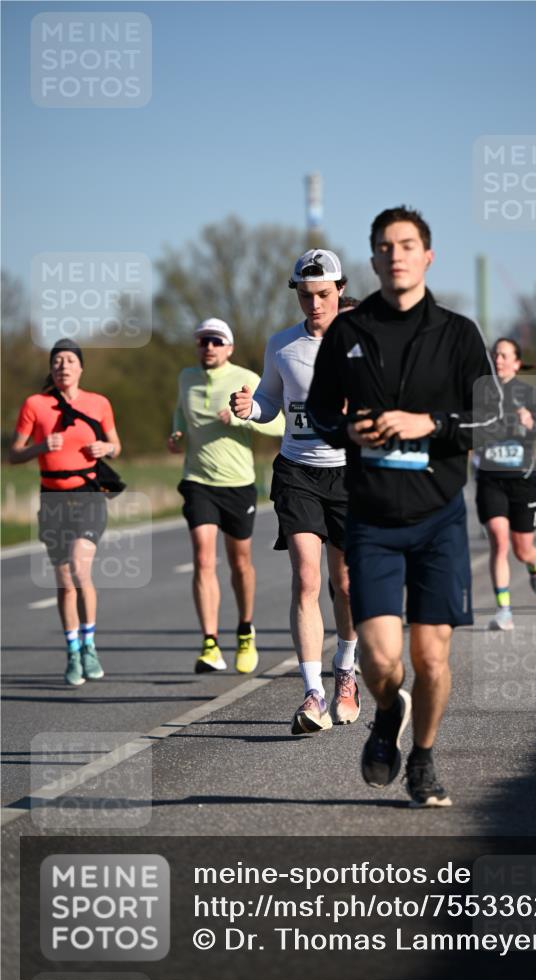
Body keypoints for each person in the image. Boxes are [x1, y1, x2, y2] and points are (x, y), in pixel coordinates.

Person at [307, 206, 502, 807]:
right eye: (386, 246)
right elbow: (317, 412)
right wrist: (349, 434)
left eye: (408, 244)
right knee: (381, 660)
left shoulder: (457, 333)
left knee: (431, 655)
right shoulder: (348, 331)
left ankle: (422, 759)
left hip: (439, 515)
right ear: (372, 259)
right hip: (371, 517)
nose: (397, 254)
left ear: (427, 256)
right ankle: (387, 711)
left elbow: (490, 417)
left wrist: (431, 422)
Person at [230, 250, 359, 734]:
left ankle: (346, 672)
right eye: (306, 296)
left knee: (345, 585)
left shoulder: (360, 346)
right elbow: (270, 400)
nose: (315, 305)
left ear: (340, 290)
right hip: (298, 472)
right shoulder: (282, 345)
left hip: (349, 476)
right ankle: (312, 693)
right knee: (306, 579)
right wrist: (251, 407)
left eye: (324, 295)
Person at [168, 318, 284, 674]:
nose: (209, 347)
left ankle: (246, 631)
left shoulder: (246, 378)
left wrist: (240, 419)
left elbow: (278, 423)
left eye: (217, 341)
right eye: (203, 341)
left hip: (238, 483)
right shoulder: (186, 378)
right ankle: (210, 644)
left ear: (229, 347)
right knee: (204, 558)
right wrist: (175, 433)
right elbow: (180, 412)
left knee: (240, 562)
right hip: (197, 480)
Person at [10, 338, 122, 686]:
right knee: (63, 582)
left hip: (88, 496)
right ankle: (73, 651)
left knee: (78, 568)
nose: (63, 366)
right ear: (51, 367)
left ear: (81, 367)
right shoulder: (35, 404)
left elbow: (116, 446)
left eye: (70, 360)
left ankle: (89, 644)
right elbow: (14, 454)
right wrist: (40, 447)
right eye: (57, 361)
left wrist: (107, 447)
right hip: (52, 500)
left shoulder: (99, 403)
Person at [475, 338, 536, 631]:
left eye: (504, 355)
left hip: (523, 480)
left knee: (522, 549)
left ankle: (535, 564)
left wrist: (532, 424)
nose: (498, 360)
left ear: (517, 362)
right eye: (495, 354)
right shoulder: (481, 392)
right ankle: (504, 610)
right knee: (499, 540)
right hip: (490, 479)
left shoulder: (530, 394)